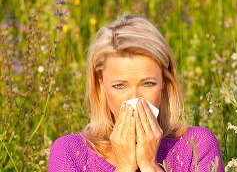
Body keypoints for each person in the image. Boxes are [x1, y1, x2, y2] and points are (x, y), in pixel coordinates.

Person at [48, 15, 224, 171]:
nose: (135, 99)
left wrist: (150, 166)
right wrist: (125, 167)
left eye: (148, 83)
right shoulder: (69, 152)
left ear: (164, 82)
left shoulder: (196, 145)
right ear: (100, 83)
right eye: (119, 86)